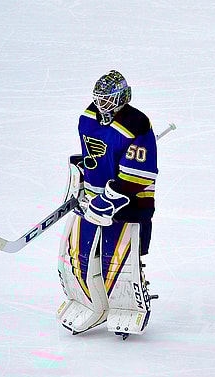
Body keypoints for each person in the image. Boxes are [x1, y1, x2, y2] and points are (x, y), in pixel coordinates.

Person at [56, 70, 158, 338]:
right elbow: (92, 157)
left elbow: (139, 175)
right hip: (91, 200)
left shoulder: (137, 125)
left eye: (108, 99)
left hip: (129, 204)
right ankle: (88, 304)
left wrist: (113, 196)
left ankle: (127, 307)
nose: (102, 105)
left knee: (118, 259)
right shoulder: (88, 119)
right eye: (99, 99)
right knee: (80, 255)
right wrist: (80, 180)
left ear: (122, 96)